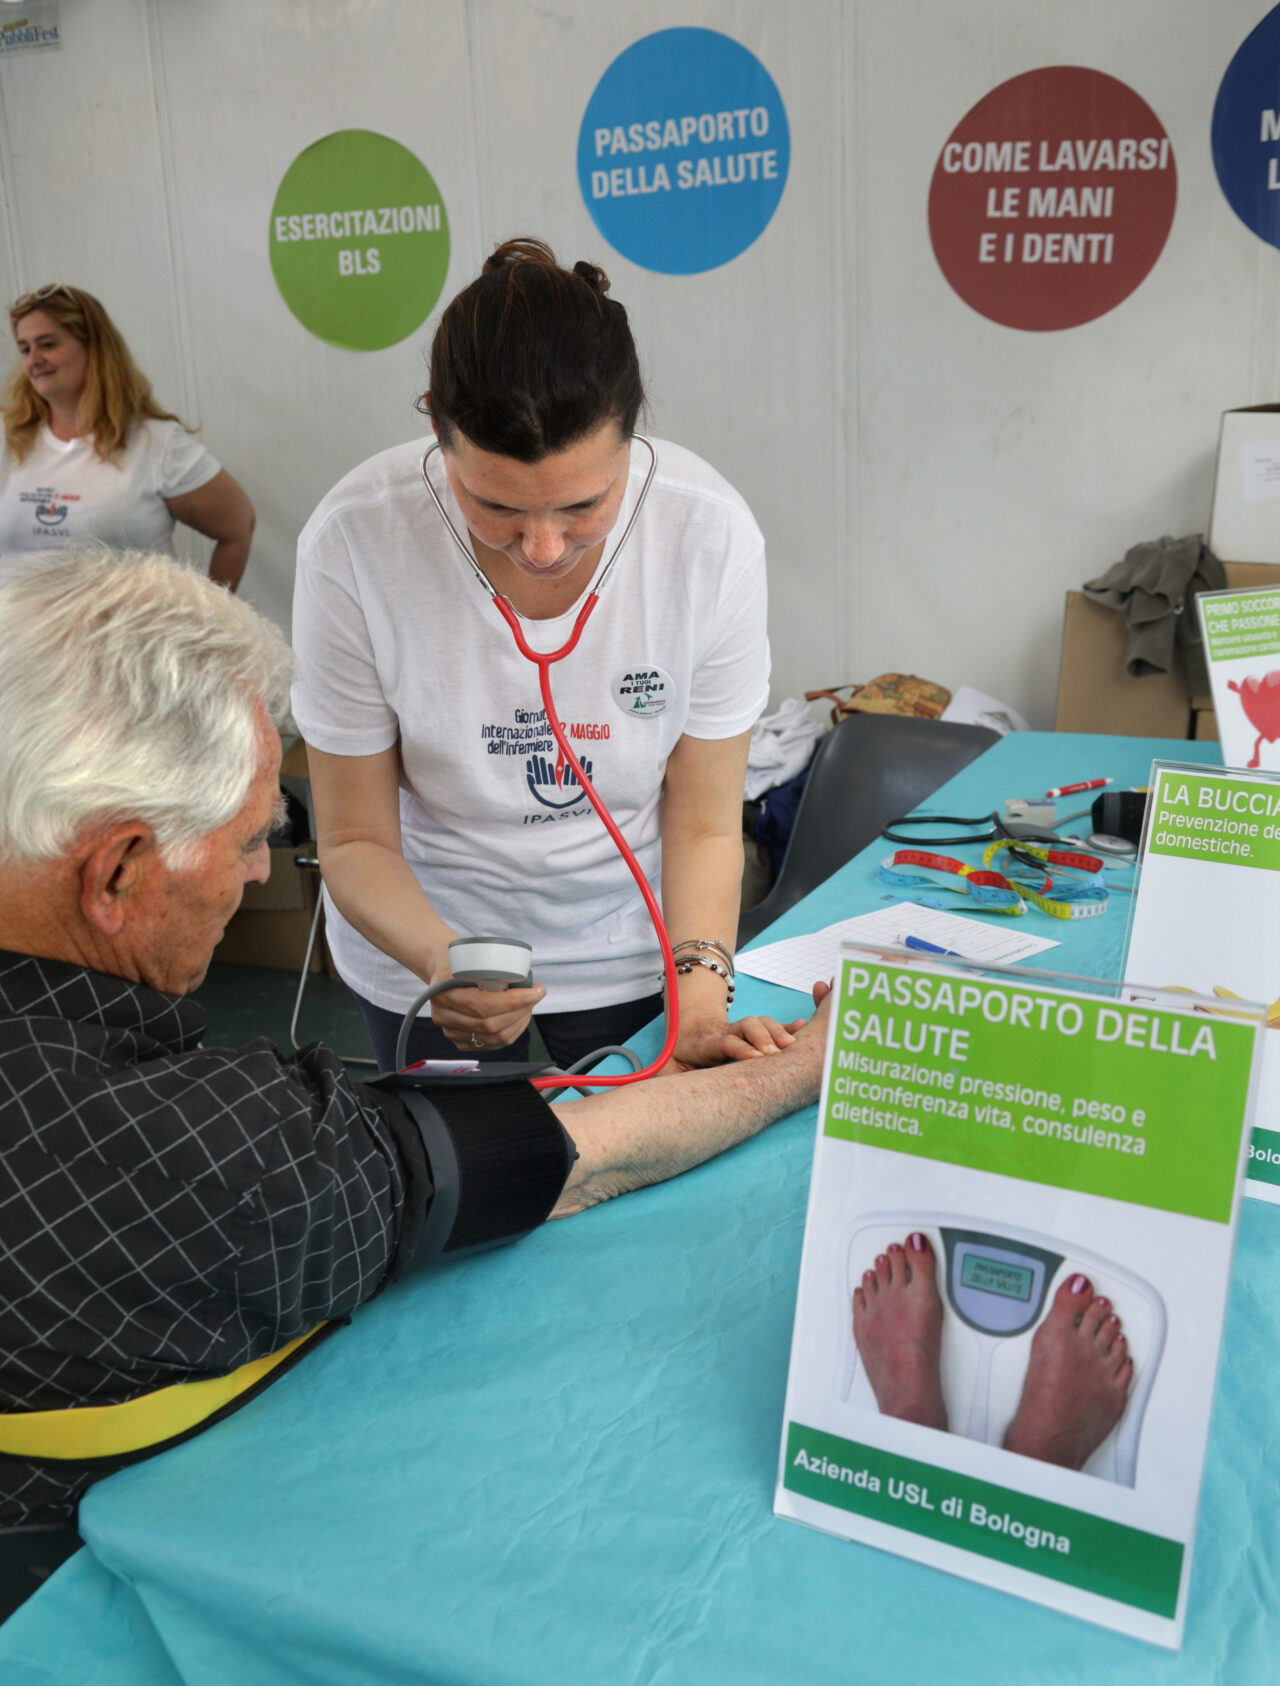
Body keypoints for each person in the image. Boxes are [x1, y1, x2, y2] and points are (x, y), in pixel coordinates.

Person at [0, 550, 830, 1553]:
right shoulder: (207, 1156)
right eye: (254, 836)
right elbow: (561, 1154)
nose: (262, 870)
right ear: (120, 869)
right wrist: (804, 1065)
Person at [293, 237, 800, 1075]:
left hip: (628, 946)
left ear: (633, 439)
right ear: (436, 428)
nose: (539, 547)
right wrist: (441, 964)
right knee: (458, 1187)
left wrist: (701, 1000)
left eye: (582, 505)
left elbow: (706, 819)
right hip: (424, 944)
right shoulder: (354, 543)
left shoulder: (709, 538)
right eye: (493, 505)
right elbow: (353, 838)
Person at [0, 284, 254, 588]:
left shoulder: (155, 443)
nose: (33, 359)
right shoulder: (9, 437)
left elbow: (238, 523)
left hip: (127, 636)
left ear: (94, 347)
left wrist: (208, 621)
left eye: (48, 344)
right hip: (19, 636)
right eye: (25, 348)